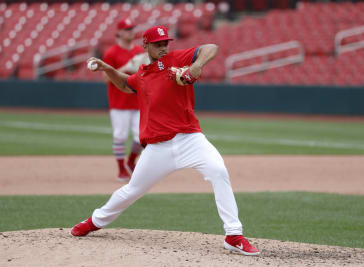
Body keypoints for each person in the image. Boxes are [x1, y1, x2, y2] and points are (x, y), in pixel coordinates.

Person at [71, 25, 260, 256]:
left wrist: (196, 66)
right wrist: (108, 68)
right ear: (146, 46)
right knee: (132, 190)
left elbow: (211, 48)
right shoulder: (142, 74)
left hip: (190, 138)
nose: (163, 47)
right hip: (158, 148)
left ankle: (234, 235)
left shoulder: (176, 58)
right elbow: (124, 84)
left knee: (218, 171)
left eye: (165, 43)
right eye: (158, 44)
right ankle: (94, 222)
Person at [102, 17, 149, 182]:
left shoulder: (139, 51)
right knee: (120, 136)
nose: (130, 32)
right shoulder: (111, 53)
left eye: (131, 29)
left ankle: (130, 162)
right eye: (127, 29)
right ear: (119, 32)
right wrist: (126, 68)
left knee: (141, 137)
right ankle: (121, 169)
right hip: (119, 102)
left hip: (137, 101)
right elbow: (105, 78)